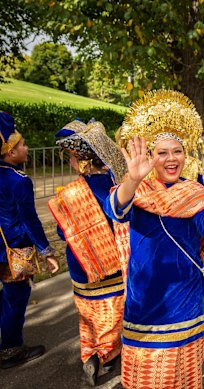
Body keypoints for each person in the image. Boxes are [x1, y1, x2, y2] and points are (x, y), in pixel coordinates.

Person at [103, 90, 204, 389]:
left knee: (183, 375)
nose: (170, 159)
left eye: (176, 151)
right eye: (161, 152)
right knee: (145, 375)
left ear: (185, 155)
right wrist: (134, 179)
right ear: (151, 157)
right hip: (146, 298)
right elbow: (115, 210)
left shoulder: (193, 191)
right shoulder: (138, 190)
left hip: (184, 296)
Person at [47, 119, 127, 385]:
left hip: (80, 264)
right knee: (112, 313)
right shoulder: (117, 186)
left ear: (81, 161)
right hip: (111, 262)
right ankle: (107, 353)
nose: (69, 162)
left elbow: (63, 233)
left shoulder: (69, 194)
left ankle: (90, 353)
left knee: (88, 314)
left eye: (70, 157)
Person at [0, 112, 59, 369]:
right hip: (13, 249)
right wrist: (47, 251)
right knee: (15, 297)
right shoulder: (18, 181)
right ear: (10, 152)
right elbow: (30, 220)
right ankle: (11, 349)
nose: (26, 148)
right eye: (22, 145)